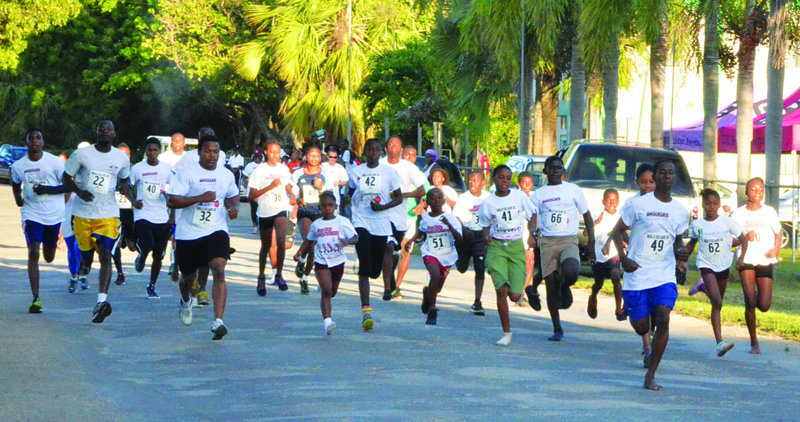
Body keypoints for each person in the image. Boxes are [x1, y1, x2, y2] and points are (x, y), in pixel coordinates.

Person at [610, 160, 689, 391]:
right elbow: (616, 232)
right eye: (662, 173)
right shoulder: (638, 205)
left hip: (664, 274)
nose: (667, 176)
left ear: (674, 178)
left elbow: (676, 240)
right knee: (642, 326)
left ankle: (650, 375)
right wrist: (624, 259)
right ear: (655, 176)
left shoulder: (680, 211)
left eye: (671, 173)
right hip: (637, 274)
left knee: (663, 317)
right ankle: (638, 314)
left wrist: (680, 252)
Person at [167, 135, 239, 340]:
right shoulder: (187, 173)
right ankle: (185, 300)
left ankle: (218, 321)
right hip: (189, 234)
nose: (211, 155)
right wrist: (199, 198)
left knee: (219, 267)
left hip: (216, 230)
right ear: (199, 152)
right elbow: (172, 201)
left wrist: (233, 208)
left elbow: (233, 195)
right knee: (187, 278)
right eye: (207, 151)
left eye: (215, 152)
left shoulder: (225, 175)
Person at [63, 120, 131, 323]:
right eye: (101, 129)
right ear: (96, 133)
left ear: (114, 133)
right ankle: (83, 269)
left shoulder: (121, 158)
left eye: (108, 129)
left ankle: (101, 301)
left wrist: (124, 187)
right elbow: (66, 177)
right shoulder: (82, 155)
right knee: (86, 259)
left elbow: (125, 179)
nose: (104, 132)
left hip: (108, 214)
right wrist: (79, 191)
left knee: (105, 255)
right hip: (82, 215)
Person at [528, 155, 595, 341]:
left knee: (572, 271)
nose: (555, 171)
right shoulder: (538, 195)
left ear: (563, 171)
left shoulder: (573, 190)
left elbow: (587, 215)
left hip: (568, 240)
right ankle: (557, 327)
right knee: (550, 285)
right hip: (548, 242)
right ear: (545, 172)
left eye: (558, 168)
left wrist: (592, 242)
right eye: (551, 168)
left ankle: (565, 287)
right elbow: (532, 218)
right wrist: (532, 233)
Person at [344, 138, 403, 331]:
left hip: (381, 223)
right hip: (361, 221)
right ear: (365, 152)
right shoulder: (356, 172)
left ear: (381, 152)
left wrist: (383, 207)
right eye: (370, 149)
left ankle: (372, 271)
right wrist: (345, 202)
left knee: (375, 271)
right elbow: (349, 193)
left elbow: (399, 198)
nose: (373, 152)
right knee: (364, 268)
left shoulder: (389, 173)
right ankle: (366, 312)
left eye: (377, 149)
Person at [10, 128, 67, 313]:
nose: (34, 141)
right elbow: (15, 180)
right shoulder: (19, 165)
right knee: (33, 251)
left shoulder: (55, 162)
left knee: (48, 257)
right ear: (27, 143)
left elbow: (67, 186)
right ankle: (36, 299)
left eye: (38, 138)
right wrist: (18, 197)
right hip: (31, 213)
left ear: (43, 143)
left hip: (53, 215)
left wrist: (49, 191)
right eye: (31, 138)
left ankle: (50, 249)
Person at [479, 165, 536, 346]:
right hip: (497, 246)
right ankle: (506, 333)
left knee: (513, 295)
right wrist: (486, 236)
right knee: (501, 290)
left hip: (515, 246)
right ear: (494, 179)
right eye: (501, 178)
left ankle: (524, 289)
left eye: (508, 178)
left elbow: (533, 213)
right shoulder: (488, 203)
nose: (505, 182)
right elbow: (485, 224)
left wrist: (532, 232)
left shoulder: (519, 196)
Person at [685, 188, 746, 356]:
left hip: (723, 266)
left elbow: (743, 238)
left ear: (719, 204)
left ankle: (703, 287)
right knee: (718, 301)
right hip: (706, 265)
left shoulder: (727, 222)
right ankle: (720, 343)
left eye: (714, 203)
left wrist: (741, 259)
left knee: (717, 304)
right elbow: (692, 244)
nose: (711, 207)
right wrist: (682, 260)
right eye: (707, 204)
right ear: (703, 205)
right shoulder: (698, 224)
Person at [293, 192, 358, 335]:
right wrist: (299, 252)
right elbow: (309, 240)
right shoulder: (316, 224)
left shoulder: (342, 222)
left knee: (332, 291)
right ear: (319, 207)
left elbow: (355, 238)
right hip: (321, 261)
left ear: (335, 206)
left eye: (330, 205)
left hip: (338, 261)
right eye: (324, 206)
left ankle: (325, 289)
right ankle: (327, 322)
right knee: (327, 290)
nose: (327, 208)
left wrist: (346, 241)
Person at [731, 177, 781, 355]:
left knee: (764, 305)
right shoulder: (738, 214)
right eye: (754, 189)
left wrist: (776, 249)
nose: (758, 192)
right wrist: (744, 237)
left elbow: (778, 231)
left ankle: (757, 295)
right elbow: (731, 241)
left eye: (761, 189)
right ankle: (754, 342)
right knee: (750, 301)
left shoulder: (769, 212)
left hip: (765, 259)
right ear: (747, 193)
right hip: (746, 260)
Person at [379, 136, 427, 300]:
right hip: (383, 215)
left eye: (397, 144)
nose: (394, 147)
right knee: (388, 248)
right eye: (390, 144)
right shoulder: (380, 164)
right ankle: (388, 287)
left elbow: (424, 191)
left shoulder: (410, 169)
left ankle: (396, 285)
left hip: (406, 217)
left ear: (401, 149)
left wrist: (403, 196)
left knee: (403, 251)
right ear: (386, 148)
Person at [130, 137, 173, 299]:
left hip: (161, 216)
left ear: (159, 152)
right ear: (145, 151)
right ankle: (141, 256)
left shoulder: (167, 169)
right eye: (149, 150)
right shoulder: (137, 168)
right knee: (147, 243)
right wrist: (134, 201)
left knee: (158, 255)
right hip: (143, 214)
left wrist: (169, 199)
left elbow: (174, 191)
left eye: (155, 150)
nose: (152, 153)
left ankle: (152, 285)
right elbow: (128, 186)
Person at [413, 188, 463, 325]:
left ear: (443, 200)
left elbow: (460, 239)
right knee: (434, 275)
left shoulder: (451, 218)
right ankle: (432, 309)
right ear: (428, 202)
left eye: (439, 198)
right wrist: (411, 241)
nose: (436, 201)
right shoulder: (425, 218)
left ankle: (428, 293)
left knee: (437, 287)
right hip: (430, 253)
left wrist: (449, 226)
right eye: (432, 198)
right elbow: (421, 232)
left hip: (447, 256)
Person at [249, 142, 293, 294]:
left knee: (281, 241)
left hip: (281, 208)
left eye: (277, 152)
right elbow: (251, 196)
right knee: (266, 246)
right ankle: (261, 277)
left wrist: (293, 195)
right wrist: (270, 187)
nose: (275, 155)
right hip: (265, 211)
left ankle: (279, 274)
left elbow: (287, 184)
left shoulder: (284, 168)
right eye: (272, 152)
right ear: (266, 153)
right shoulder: (260, 171)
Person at [292, 146, 331, 294]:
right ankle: (302, 263)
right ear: (306, 157)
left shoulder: (326, 175)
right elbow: (291, 193)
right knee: (310, 241)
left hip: (320, 213)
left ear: (320, 158)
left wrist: (321, 188)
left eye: (317, 156)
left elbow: (331, 197)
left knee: (314, 247)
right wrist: (297, 199)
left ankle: (304, 276)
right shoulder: (297, 174)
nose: (314, 158)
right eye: (311, 155)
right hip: (305, 212)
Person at [394, 146, 431, 299]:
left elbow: (429, 193)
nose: (410, 157)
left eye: (414, 155)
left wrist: (421, 205)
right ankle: (388, 281)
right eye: (407, 154)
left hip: (410, 218)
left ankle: (396, 286)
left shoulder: (419, 174)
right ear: (402, 155)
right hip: (393, 216)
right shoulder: (395, 172)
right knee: (390, 252)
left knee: (405, 251)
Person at [454, 170, 490, 315]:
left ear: (483, 183)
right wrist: (464, 229)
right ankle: (458, 260)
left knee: (479, 266)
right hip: (466, 234)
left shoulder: (488, 198)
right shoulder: (463, 198)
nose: (471, 183)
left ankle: (477, 301)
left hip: (481, 235)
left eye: (475, 181)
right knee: (462, 268)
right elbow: (455, 217)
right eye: (469, 180)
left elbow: (493, 215)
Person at [587, 188, 625, 320]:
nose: (612, 203)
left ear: (618, 202)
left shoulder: (621, 217)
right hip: (598, 255)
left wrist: (627, 244)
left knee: (616, 276)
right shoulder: (597, 214)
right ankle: (593, 296)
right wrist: (596, 222)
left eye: (614, 200)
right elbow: (587, 234)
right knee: (598, 282)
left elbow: (623, 234)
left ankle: (618, 309)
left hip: (613, 254)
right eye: (609, 200)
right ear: (603, 201)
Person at [113, 143, 135, 286]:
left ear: (129, 155)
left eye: (124, 154)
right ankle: (120, 272)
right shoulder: (111, 168)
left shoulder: (134, 170)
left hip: (130, 211)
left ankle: (140, 256)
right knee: (117, 242)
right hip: (115, 211)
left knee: (132, 246)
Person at [517, 172, 536, 306]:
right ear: (519, 184)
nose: (527, 185)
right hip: (518, 234)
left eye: (530, 183)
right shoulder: (515, 197)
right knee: (519, 264)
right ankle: (515, 289)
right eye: (524, 183)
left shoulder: (535, 197)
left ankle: (523, 292)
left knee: (530, 262)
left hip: (530, 233)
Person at [243, 150, 263, 234]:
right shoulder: (249, 166)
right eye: (255, 157)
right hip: (252, 191)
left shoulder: (263, 166)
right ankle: (255, 225)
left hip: (262, 190)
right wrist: (246, 184)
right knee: (254, 209)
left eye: (258, 157)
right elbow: (245, 177)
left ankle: (261, 226)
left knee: (262, 209)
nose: (257, 159)